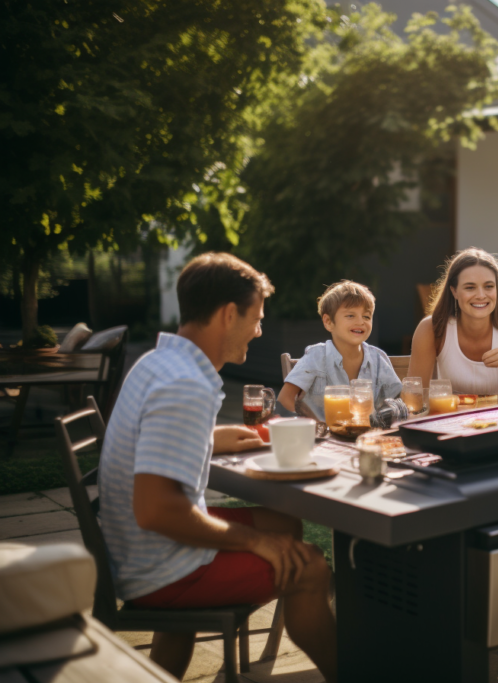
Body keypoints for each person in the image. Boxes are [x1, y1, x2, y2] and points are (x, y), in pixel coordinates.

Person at [98, 253, 336, 681]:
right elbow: (157, 510)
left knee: (284, 523)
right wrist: (251, 542)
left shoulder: (157, 363)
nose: (259, 330)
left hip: (133, 548)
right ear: (229, 314)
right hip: (160, 566)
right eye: (257, 318)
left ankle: (164, 672)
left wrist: (209, 439)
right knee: (311, 567)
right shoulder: (185, 384)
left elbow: (148, 449)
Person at [408, 248, 498, 404]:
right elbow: (414, 399)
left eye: (489, 286)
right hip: (451, 425)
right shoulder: (432, 328)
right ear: (454, 291)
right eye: (470, 287)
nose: (481, 295)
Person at [278, 280, 401, 420]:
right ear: (328, 322)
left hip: (365, 436)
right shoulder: (317, 356)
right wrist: (312, 425)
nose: (361, 322)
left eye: (366, 316)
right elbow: (285, 399)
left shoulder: (378, 359)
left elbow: (398, 401)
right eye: (350, 315)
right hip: (322, 438)